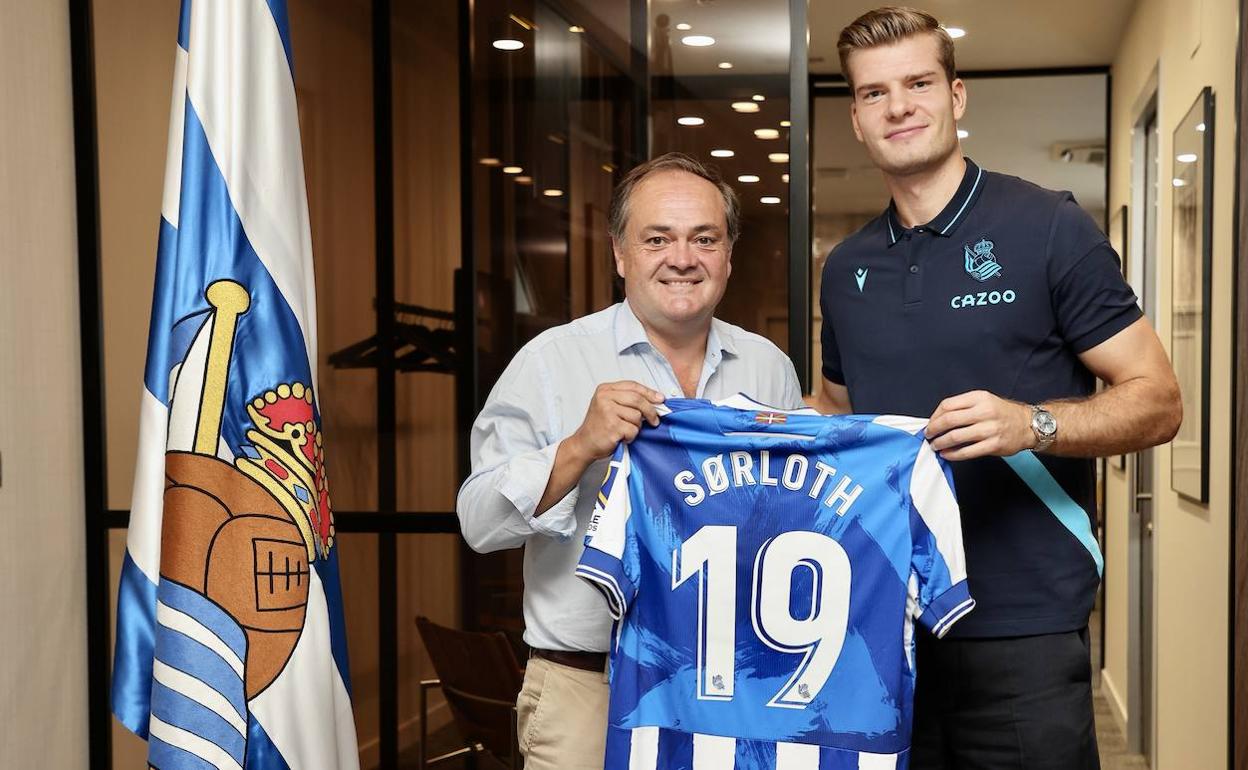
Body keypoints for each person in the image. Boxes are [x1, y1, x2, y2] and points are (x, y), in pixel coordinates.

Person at [818, 7, 1182, 769]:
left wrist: (1033, 425)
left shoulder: (1047, 226)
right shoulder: (846, 269)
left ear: (956, 96)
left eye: (918, 83)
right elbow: (838, 414)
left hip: (1023, 629)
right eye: (876, 93)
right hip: (881, 626)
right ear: (855, 117)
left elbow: (1158, 398)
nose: (900, 106)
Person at [456, 152, 804, 770]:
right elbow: (479, 524)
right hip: (588, 691)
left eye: (704, 238)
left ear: (728, 254)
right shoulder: (550, 361)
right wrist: (579, 446)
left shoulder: (768, 367)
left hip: (733, 694)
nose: (682, 258)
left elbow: (790, 520)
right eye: (657, 239)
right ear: (620, 253)